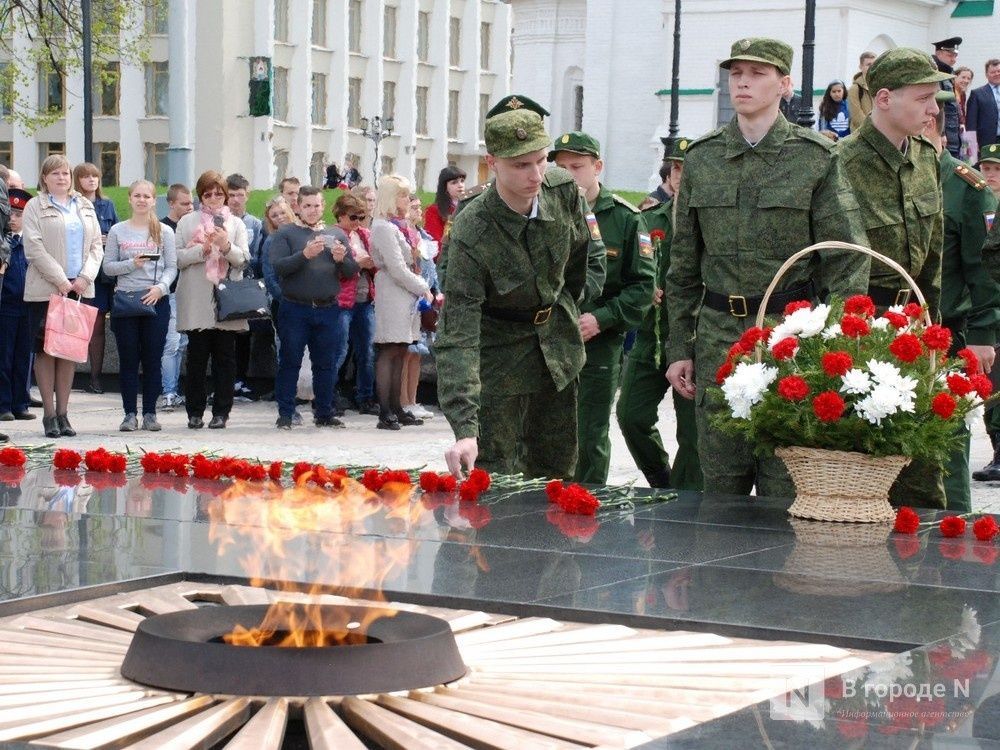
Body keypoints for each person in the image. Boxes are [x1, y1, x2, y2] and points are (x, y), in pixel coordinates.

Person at [664, 37, 869, 498]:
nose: (742, 82)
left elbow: (846, 257)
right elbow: (681, 266)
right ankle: (715, 573)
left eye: (757, 74)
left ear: (784, 84)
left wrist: (833, 342)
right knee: (720, 483)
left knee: (785, 485)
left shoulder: (815, 158)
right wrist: (679, 346)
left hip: (789, 339)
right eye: (736, 73)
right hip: (719, 339)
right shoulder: (702, 157)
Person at [436, 103, 603, 478]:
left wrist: (564, 311)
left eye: (541, 161)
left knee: (557, 472)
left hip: (556, 353)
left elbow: (579, 261)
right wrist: (464, 428)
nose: (535, 175)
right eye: (520, 165)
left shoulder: (563, 192)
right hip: (499, 360)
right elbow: (457, 333)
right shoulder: (472, 230)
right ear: (493, 163)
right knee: (496, 477)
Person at [838, 47, 952, 507]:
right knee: (863, 459)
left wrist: (935, 331)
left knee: (922, 464)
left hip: (914, 322)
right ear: (884, 98)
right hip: (862, 327)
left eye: (937, 99)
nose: (933, 110)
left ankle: (926, 566)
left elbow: (934, 251)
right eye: (924, 98)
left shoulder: (926, 156)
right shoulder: (841, 162)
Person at [549, 131, 656, 485]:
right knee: (544, 432)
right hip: (549, 341)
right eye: (560, 167)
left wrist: (602, 318)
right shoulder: (546, 210)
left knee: (589, 433)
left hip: (598, 343)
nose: (568, 174)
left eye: (576, 166)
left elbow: (642, 286)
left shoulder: (624, 219)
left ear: (597, 167)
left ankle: (585, 505)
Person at [921, 101, 1000, 510]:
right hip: (894, 330)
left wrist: (985, 334)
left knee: (948, 443)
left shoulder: (965, 187)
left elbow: (983, 267)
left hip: (948, 333)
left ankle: (952, 535)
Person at [617, 138, 701, 490]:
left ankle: (685, 500)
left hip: (693, 338)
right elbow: (629, 268)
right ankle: (662, 481)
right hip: (651, 337)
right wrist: (642, 288)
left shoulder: (709, 223)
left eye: (688, 168)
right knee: (630, 414)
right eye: (676, 168)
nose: (680, 175)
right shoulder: (649, 220)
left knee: (693, 433)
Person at [21, 155, 105, 438]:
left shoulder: (84, 205)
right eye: (55, 173)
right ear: (44, 178)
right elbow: (33, 247)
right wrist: (60, 280)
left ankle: (64, 413)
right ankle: (48, 414)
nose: (61, 177)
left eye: (66, 173)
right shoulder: (35, 205)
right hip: (47, 288)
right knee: (46, 351)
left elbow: (96, 245)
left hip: (80, 288)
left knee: (69, 351)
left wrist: (84, 277)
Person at [269, 185, 358, 430]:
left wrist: (342, 260)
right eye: (307, 205)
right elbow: (279, 267)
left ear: (323, 206)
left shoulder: (335, 234)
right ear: (297, 207)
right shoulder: (286, 234)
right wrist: (304, 255)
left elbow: (351, 272)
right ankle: (285, 413)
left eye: (317, 205)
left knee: (326, 363)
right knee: (290, 361)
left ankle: (324, 412)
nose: (312, 210)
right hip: (295, 308)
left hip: (328, 308)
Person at [174, 170, 251, 430]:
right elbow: (178, 258)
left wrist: (225, 246)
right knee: (196, 357)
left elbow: (243, 259)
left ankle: (221, 412)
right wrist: (202, 250)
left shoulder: (236, 223)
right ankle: (194, 411)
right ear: (200, 196)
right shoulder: (187, 222)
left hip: (225, 299)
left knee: (225, 360)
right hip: (197, 297)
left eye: (219, 193)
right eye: (208, 193)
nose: (214, 198)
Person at [102, 180, 177, 432]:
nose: (142, 200)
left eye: (147, 196)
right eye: (137, 195)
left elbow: (171, 267)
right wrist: (130, 265)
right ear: (130, 199)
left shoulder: (164, 231)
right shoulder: (117, 231)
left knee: (153, 358)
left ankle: (150, 413)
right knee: (128, 360)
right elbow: (108, 267)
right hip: (126, 300)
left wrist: (160, 289)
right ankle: (129, 414)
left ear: (155, 200)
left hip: (155, 300)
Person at [369, 175, 432, 430]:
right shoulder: (383, 226)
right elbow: (396, 267)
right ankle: (385, 411)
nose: (408, 200)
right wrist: (423, 287)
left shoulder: (399, 225)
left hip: (405, 292)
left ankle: (397, 406)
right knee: (389, 349)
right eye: (403, 195)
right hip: (394, 290)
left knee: (401, 349)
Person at [73, 162, 118, 395]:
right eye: (86, 176)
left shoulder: (107, 205)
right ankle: (66, 375)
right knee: (71, 324)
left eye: (95, 176)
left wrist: (107, 239)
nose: (91, 180)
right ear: (77, 180)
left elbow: (119, 235)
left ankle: (95, 377)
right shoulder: (73, 205)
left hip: (100, 276)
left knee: (98, 325)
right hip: (76, 272)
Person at [331, 193, 378, 416]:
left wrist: (370, 264)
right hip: (342, 301)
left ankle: (365, 397)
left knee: (367, 351)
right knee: (338, 351)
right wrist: (357, 263)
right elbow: (332, 272)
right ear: (340, 215)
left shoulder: (365, 235)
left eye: (361, 217)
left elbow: (379, 265)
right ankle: (327, 396)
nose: (357, 222)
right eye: (353, 217)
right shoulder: (334, 235)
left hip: (365, 299)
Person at [226, 173, 263, 403]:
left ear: (247, 196)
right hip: (222, 282)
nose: (236, 200)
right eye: (231, 195)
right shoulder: (220, 221)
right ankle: (225, 380)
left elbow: (258, 255)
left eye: (240, 195)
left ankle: (240, 379)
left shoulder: (254, 224)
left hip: (245, 285)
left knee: (243, 335)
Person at [401, 194, 438, 420]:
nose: (418, 211)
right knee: (405, 352)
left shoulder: (423, 235)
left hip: (423, 299)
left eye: (419, 207)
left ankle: (413, 400)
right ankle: (402, 400)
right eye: (413, 207)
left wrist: (436, 290)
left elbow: (430, 266)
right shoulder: (403, 235)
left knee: (417, 353)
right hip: (407, 299)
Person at [259, 196, 296, 418]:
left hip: (308, 302)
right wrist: (286, 298)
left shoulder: (304, 235)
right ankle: (287, 406)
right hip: (284, 305)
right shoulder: (271, 242)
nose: (280, 217)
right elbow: (270, 277)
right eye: (274, 216)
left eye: (282, 212)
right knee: (286, 354)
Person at [0, 188, 34, 424]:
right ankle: (3, 405)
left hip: (29, 305)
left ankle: (20, 402)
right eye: (9, 213)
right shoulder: (5, 242)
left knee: (24, 356)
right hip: (6, 305)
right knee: (5, 357)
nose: (12, 218)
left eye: (18, 214)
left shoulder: (31, 242)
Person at [159, 184, 193, 412]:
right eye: (184, 203)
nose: (190, 207)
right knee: (172, 344)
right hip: (170, 292)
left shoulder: (194, 226)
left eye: (191, 203)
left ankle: (174, 390)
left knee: (182, 344)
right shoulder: (161, 228)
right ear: (171, 204)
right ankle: (169, 392)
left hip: (191, 293)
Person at [931, 37, 962, 158]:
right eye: (950, 55)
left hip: (952, 137)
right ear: (938, 53)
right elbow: (937, 106)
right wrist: (941, 133)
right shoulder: (935, 73)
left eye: (955, 56)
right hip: (943, 136)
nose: (953, 60)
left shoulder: (948, 73)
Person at [423, 166, 466, 246]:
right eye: (454, 182)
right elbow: (435, 240)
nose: (460, 185)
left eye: (462, 181)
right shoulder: (434, 210)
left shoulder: (471, 205)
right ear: (445, 187)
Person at [966, 59, 1000, 154]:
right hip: (986, 143)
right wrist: (972, 144)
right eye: (993, 72)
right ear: (986, 74)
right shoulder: (977, 94)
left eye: (999, 71)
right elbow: (971, 122)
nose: (997, 74)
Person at [848, 51, 876, 131]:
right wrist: (874, 130)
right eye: (868, 65)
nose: (872, 67)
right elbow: (857, 117)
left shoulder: (881, 86)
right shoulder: (854, 89)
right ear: (861, 66)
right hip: (861, 136)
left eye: (874, 64)